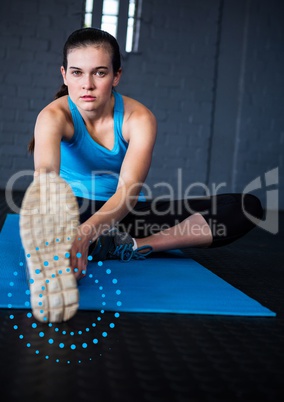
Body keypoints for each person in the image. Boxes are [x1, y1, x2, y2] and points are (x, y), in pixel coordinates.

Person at [20, 27, 263, 323]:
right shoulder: (53, 116)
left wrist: (88, 233)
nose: (87, 85)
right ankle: (83, 244)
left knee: (247, 207)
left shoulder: (139, 118)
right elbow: (45, 178)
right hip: (71, 212)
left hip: (123, 216)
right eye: (77, 73)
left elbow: (127, 192)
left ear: (116, 75)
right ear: (64, 74)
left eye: (99, 73)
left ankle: (133, 246)